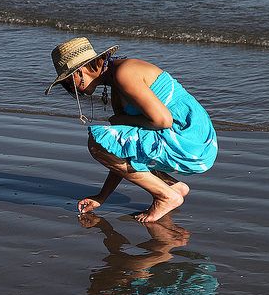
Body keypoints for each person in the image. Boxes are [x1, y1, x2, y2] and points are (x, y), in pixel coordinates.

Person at [45, 37, 217, 222]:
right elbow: (120, 150)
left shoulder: (124, 73)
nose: (71, 90)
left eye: (67, 82)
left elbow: (163, 120)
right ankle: (171, 187)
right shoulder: (117, 83)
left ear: (79, 71)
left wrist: (121, 119)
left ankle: (166, 196)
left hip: (191, 141)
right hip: (190, 140)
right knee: (109, 142)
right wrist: (101, 197)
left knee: (96, 141)